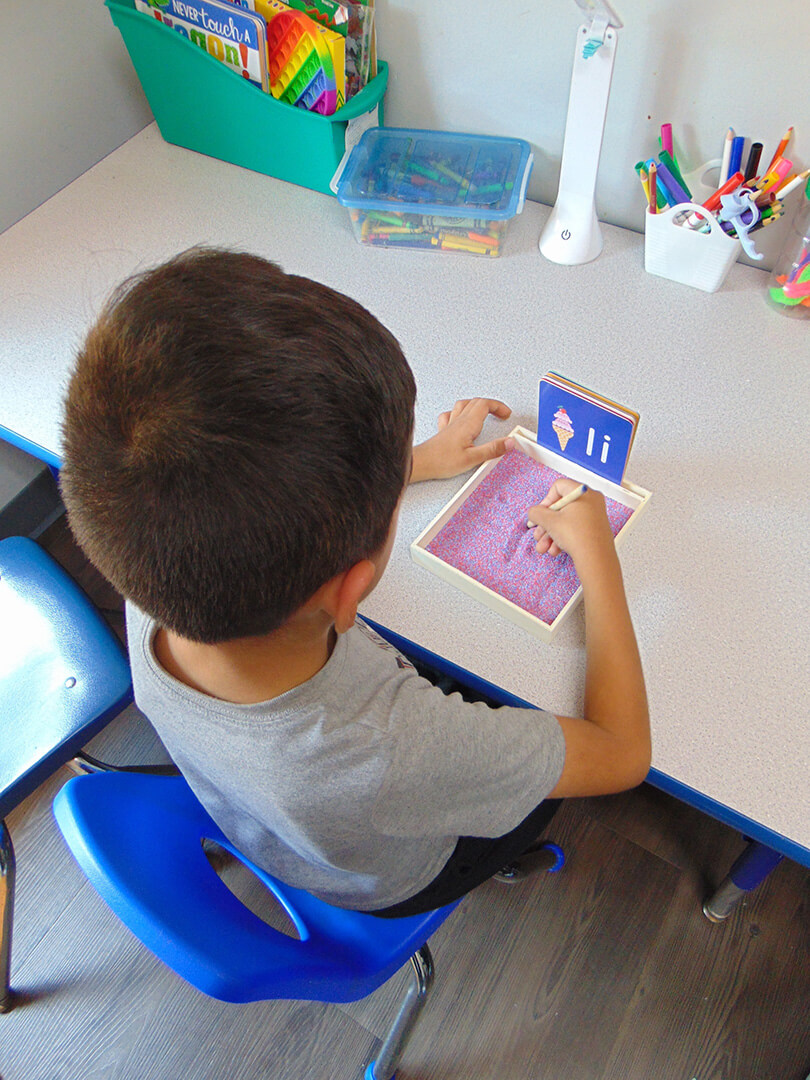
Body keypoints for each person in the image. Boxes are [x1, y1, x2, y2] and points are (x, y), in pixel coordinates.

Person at [60, 247, 650, 917]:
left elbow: (248, 498)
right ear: (347, 596)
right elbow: (623, 754)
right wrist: (600, 560)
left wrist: (416, 462)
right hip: (400, 876)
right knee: (534, 785)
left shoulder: (146, 562)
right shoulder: (392, 745)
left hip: (268, 820)